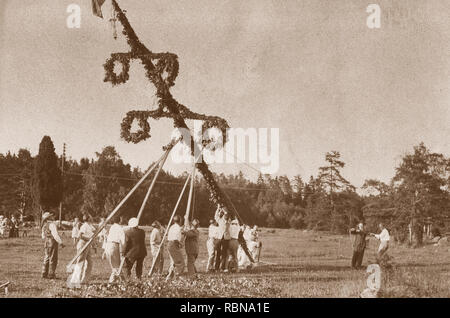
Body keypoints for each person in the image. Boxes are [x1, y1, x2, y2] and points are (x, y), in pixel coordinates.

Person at [68, 214, 96, 287]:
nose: (92, 218)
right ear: (88, 219)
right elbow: (80, 235)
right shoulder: (85, 226)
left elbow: (94, 232)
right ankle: (74, 280)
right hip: (83, 244)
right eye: (90, 217)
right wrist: (89, 240)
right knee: (80, 262)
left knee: (90, 263)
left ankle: (85, 280)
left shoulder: (90, 225)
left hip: (88, 245)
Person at [41, 212, 64, 279]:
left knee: (46, 257)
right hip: (52, 242)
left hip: (46, 242)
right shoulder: (52, 225)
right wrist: (61, 242)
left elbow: (42, 236)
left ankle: (44, 273)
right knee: (53, 258)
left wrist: (46, 239)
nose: (53, 216)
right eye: (51, 216)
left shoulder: (44, 225)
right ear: (49, 218)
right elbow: (55, 235)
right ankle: (51, 274)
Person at [105, 215, 125, 283]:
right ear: (119, 220)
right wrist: (124, 251)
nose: (122, 220)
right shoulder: (120, 228)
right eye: (121, 219)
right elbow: (123, 241)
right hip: (114, 245)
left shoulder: (112, 227)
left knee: (115, 265)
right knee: (116, 266)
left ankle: (122, 280)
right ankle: (111, 282)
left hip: (108, 245)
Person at [166, 215, 185, 280]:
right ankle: (178, 276)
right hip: (173, 245)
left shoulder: (172, 227)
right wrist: (181, 244)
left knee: (173, 261)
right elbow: (175, 239)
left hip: (169, 244)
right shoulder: (177, 228)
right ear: (180, 221)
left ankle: (169, 276)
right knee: (180, 261)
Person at [214, 206, 231, 271]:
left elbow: (226, 214)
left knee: (224, 254)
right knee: (218, 253)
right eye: (225, 216)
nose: (225, 217)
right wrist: (218, 209)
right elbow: (216, 216)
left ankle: (222, 268)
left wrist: (222, 210)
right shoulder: (221, 220)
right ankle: (217, 268)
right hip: (220, 238)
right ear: (223, 216)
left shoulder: (228, 221)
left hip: (225, 239)